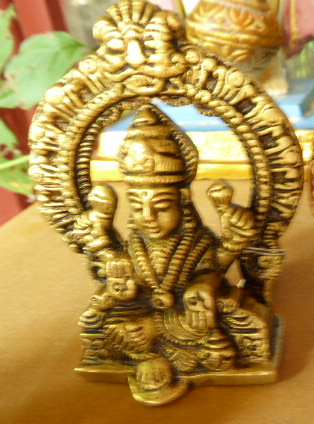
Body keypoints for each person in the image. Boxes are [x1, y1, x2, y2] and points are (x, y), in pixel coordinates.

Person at [78, 105, 267, 403]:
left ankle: (153, 350)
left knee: (216, 334)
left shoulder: (197, 242)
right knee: (106, 323)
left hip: (184, 323)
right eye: (137, 206)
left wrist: (233, 243)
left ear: (183, 200)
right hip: (144, 320)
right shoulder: (133, 247)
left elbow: (213, 271)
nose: (148, 217)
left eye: (162, 206)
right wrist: (108, 257)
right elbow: (122, 292)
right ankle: (148, 355)